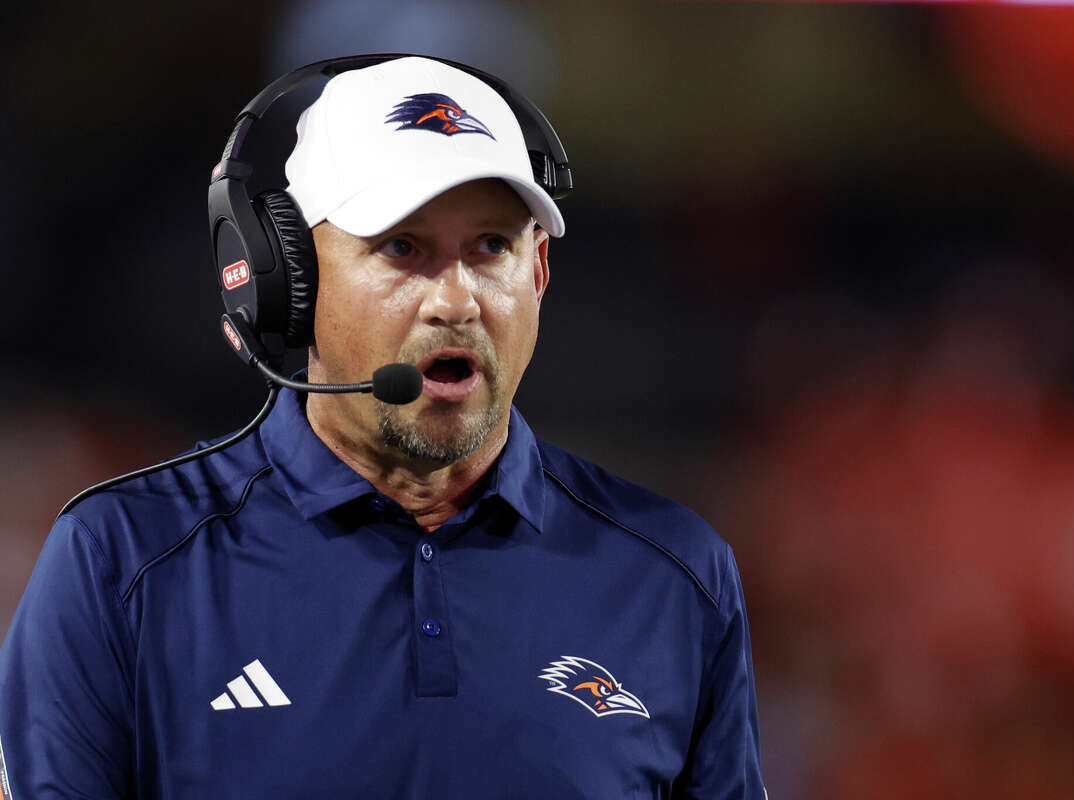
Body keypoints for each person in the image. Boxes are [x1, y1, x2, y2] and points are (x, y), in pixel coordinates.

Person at [0, 56, 764, 798]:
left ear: (538, 273)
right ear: (286, 282)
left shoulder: (676, 574)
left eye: (491, 246)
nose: (456, 301)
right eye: (403, 248)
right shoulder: (122, 562)